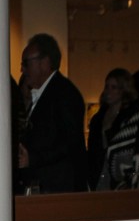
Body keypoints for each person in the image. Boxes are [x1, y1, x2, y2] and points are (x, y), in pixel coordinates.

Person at [18, 33, 87, 193]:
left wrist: (32, 158)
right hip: (48, 187)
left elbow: (70, 143)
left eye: (26, 63)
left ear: (44, 62)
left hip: (59, 189)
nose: (22, 69)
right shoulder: (47, 92)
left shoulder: (64, 93)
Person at [87, 68, 138, 190]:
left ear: (123, 90)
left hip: (118, 171)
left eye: (114, 87)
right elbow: (93, 148)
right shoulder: (98, 117)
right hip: (97, 170)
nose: (108, 91)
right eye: (107, 87)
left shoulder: (129, 116)